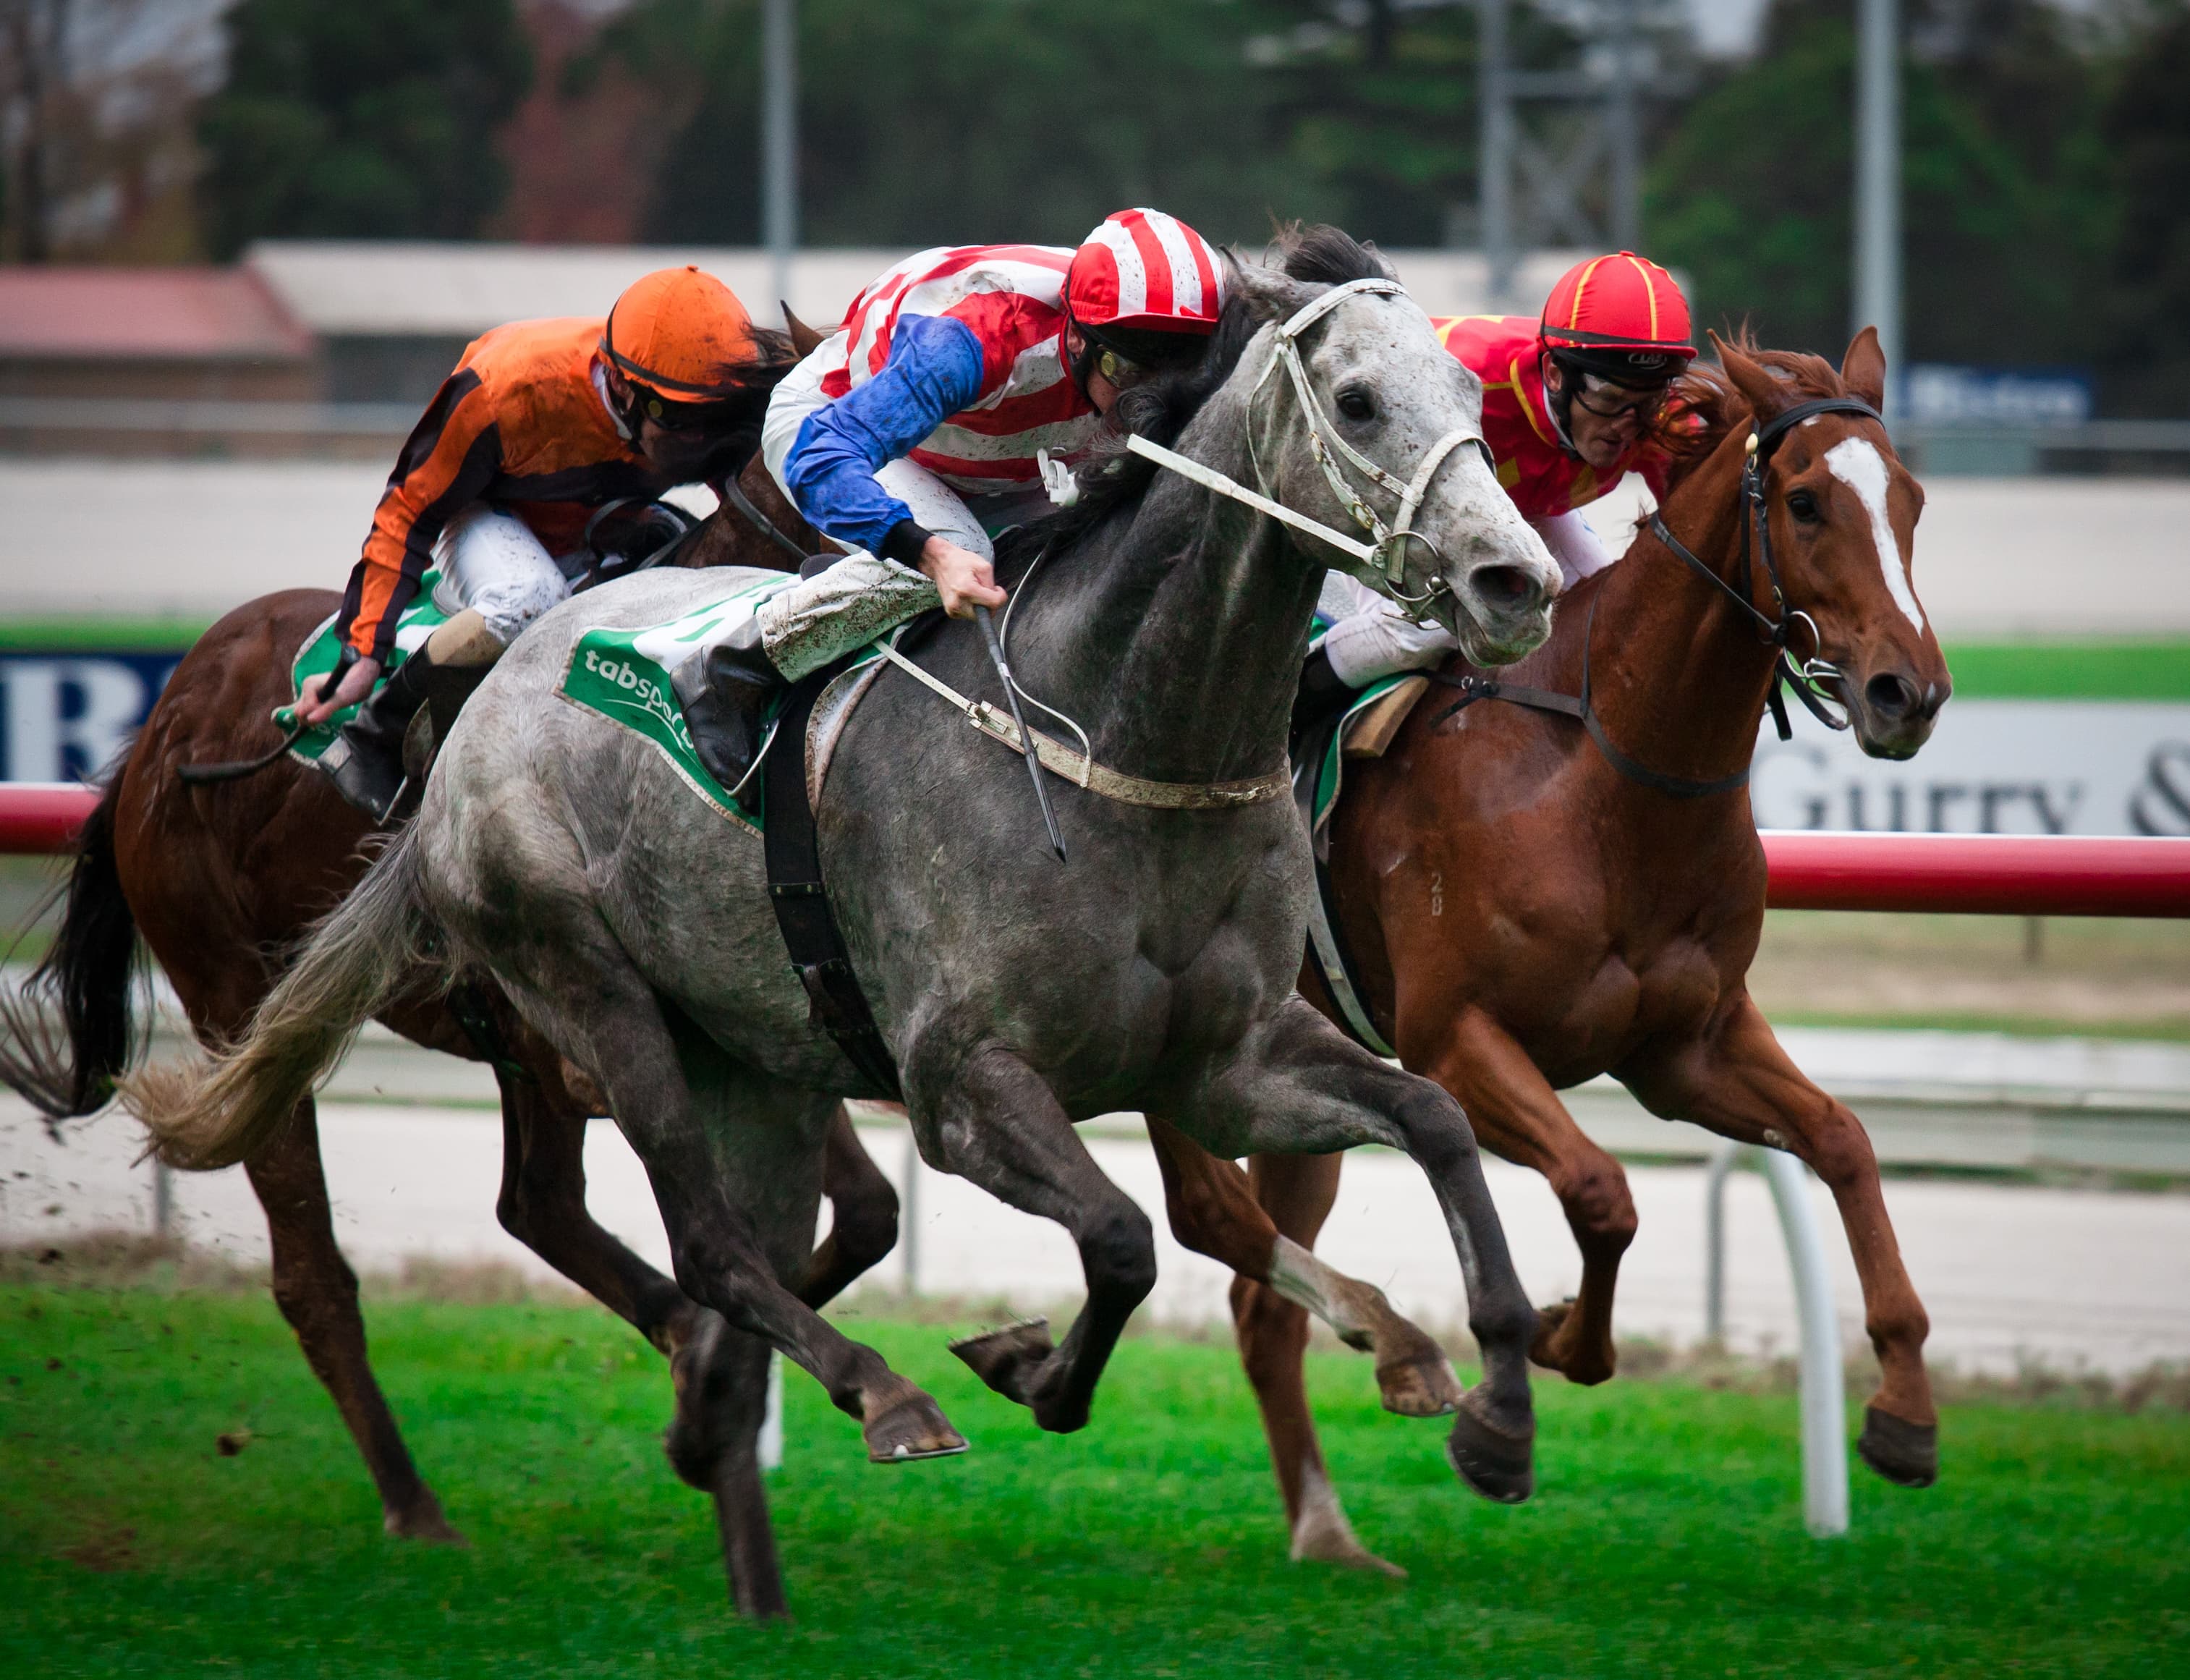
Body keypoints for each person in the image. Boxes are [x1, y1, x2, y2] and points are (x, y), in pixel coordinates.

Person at [674, 208, 1227, 791]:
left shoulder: (1179, 338)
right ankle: (733, 666)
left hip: (1005, 459)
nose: (1144, 402)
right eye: (1124, 371)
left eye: (1171, 377)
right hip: (841, 428)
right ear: (1075, 335)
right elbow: (823, 456)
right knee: (961, 549)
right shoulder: (978, 336)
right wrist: (930, 554)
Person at [299, 265, 795, 820]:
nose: (698, 438)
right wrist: (363, 650)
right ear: (624, 386)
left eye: (711, 417)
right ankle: (376, 734)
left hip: (611, 514)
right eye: (676, 416)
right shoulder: (503, 389)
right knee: (531, 597)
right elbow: (407, 512)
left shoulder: (710, 403)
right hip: (494, 515)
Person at [1298, 250, 1697, 726]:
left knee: (1601, 617)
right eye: (1612, 400)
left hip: (1514, 510)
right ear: (1554, 374)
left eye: (1650, 401)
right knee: (1431, 630)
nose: (1630, 427)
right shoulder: (1469, 374)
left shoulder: (1665, 421)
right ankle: (1286, 708)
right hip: (1392, 497)